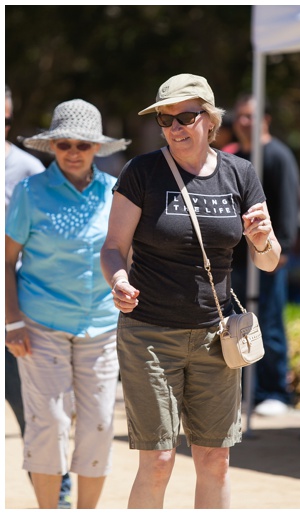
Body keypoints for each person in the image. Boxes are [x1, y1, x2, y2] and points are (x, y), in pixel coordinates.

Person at [100, 73, 281, 508]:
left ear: (210, 118)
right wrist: (118, 280)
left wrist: (263, 240)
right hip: (149, 335)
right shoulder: (142, 171)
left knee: (215, 459)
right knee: (159, 459)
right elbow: (112, 248)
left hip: (216, 337)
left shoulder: (241, 173)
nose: (176, 127)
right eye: (166, 119)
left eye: (185, 116)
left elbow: (269, 260)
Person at [5, 99, 129, 508]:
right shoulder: (29, 190)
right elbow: (6, 260)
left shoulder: (115, 192)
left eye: (83, 144)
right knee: (49, 424)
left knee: (98, 424)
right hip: (40, 325)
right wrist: (12, 322)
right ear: (52, 147)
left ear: (98, 149)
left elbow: (128, 256)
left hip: (102, 326)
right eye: (64, 144)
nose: (73, 152)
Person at [5, 85, 74, 509]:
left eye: (5, 119)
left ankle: (58, 499)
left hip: (15, 310)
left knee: (39, 416)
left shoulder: (29, 170)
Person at [227, 93, 300, 417]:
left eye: (250, 116)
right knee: (238, 324)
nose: (244, 122)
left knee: (268, 323)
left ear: (265, 119)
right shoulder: (233, 157)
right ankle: (249, 391)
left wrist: (280, 246)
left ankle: (275, 390)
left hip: (268, 257)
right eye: (240, 116)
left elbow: (287, 206)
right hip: (236, 260)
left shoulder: (278, 156)